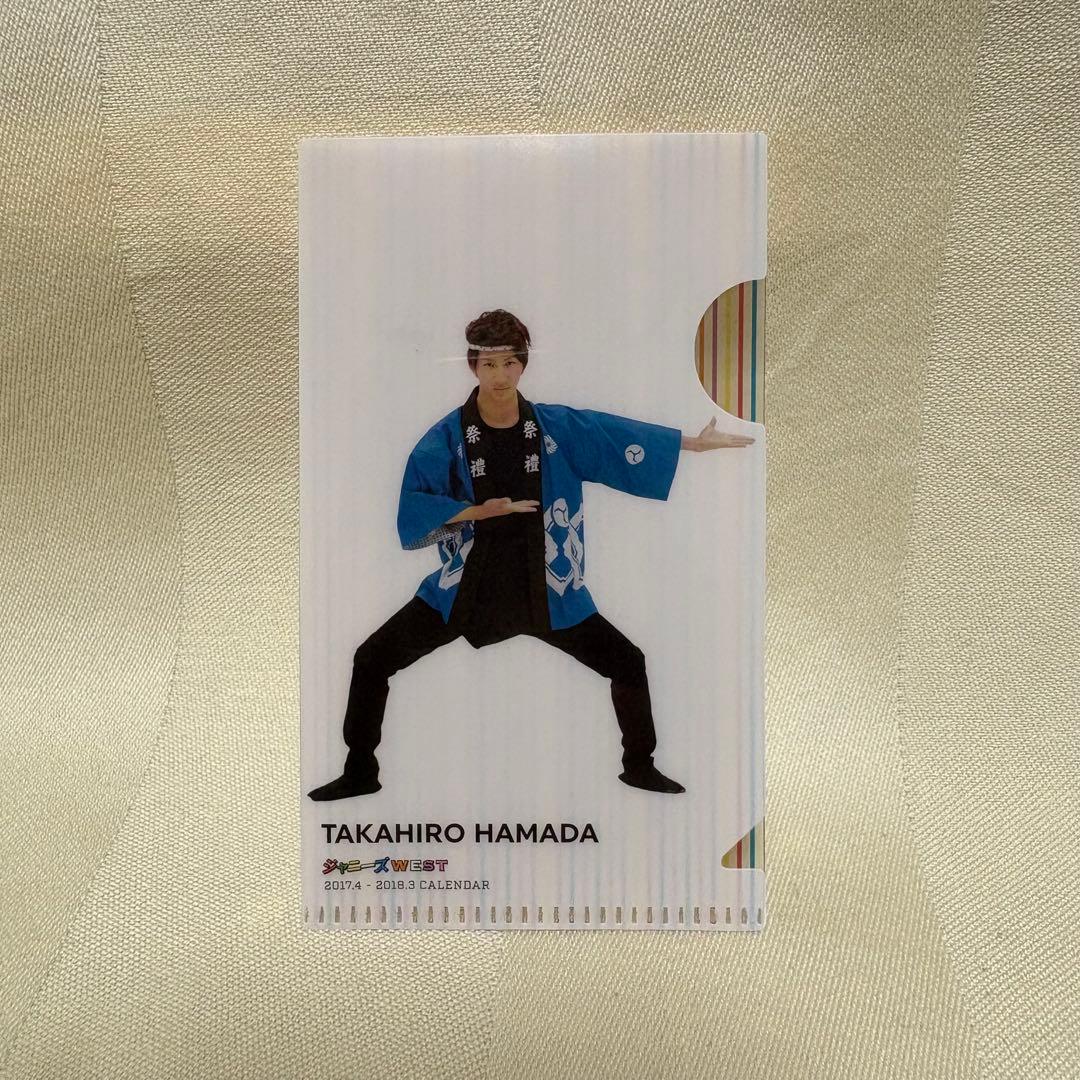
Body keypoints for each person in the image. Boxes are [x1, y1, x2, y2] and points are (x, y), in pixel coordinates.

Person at [308, 309, 754, 801]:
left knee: (627, 661)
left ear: (523, 364)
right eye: (489, 364)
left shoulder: (555, 427)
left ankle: (639, 766)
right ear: (473, 366)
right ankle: (359, 771)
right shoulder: (449, 437)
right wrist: (478, 511)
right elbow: (416, 503)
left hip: (545, 587)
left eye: (509, 363)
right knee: (371, 658)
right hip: (468, 587)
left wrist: (693, 444)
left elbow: (614, 438)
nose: (500, 375)